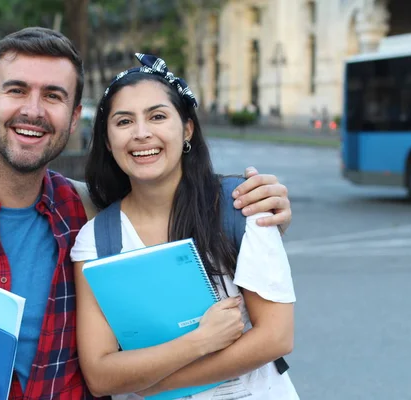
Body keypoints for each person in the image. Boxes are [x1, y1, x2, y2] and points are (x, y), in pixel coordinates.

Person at [0, 28, 293, 400]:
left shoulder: (87, 213)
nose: (33, 110)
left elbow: (170, 208)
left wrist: (263, 211)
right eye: (16, 90)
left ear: (75, 117)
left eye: (53, 96)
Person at [71, 54, 297, 399]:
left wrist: (155, 383)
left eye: (158, 116)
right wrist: (199, 342)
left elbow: (276, 336)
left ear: (187, 128)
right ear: (106, 139)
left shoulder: (242, 203)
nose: (142, 133)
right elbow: (101, 375)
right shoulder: (97, 240)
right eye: (124, 122)